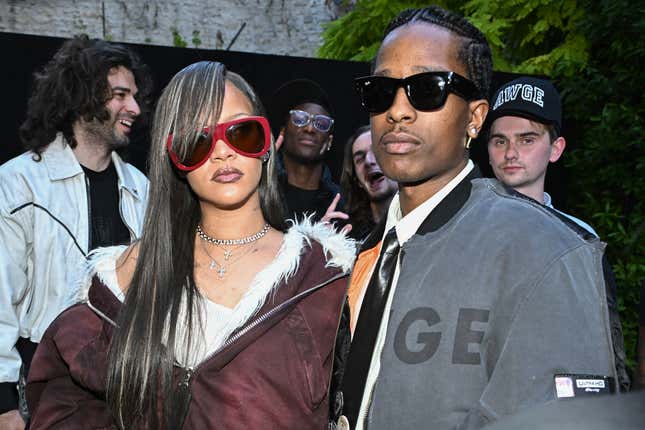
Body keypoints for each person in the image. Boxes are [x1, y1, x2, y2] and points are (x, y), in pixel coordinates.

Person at [26, 61, 354, 429]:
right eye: (198, 141)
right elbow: (64, 402)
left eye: (242, 133)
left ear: (266, 144)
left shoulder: (323, 279)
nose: (223, 152)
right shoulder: (124, 278)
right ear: (176, 160)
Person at [339, 6, 617, 430]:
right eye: (381, 91)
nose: (397, 110)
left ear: (475, 117)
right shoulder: (365, 252)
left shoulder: (546, 250)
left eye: (427, 88)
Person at [0, 35, 151, 429]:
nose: (134, 108)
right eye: (120, 94)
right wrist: (3, 404)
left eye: (134, 96)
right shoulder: (19, 183)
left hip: (125, 390)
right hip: (41, 390)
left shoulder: (142, 189)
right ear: (82, 95)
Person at [486, 76, 630, 391]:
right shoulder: (460, 230)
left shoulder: (580, 239)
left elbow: (606, 341)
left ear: (555, 149)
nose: (511, 152)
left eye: (527, 139)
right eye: (500, 141)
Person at [269, 78, 343, 222]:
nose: (309, 128)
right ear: (283, 131)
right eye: (300, 118)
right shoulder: (261, 191)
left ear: (329, 141)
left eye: (321, 123)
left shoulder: (341, 204)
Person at [340, 125, 397, 240]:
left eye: (377, 152)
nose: (368, 161)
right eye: (359, 159)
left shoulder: (425, 221)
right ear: (357, 181)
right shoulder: (348, 239)